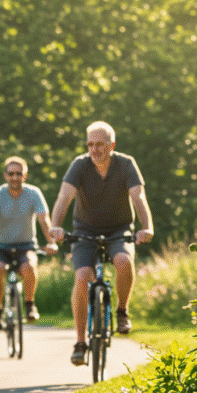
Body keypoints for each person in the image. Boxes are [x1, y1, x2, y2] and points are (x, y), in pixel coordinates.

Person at [48, 121, 154, 366]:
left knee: (123, 261)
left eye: (100, 144)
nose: (94, 149)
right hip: (85, 230)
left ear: (112, 145)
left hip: (119, 229)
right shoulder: (80, 164)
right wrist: (56, 226)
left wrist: (146, 227)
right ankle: (80, 341)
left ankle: (122, 311)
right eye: (90, 144)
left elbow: (138, 196)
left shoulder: (126, 164)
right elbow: (64, 197)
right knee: (83, 275)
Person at [0, 156, 59, 330]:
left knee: (30, 267)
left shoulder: (33, 193)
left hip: (25, 245)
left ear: (25, 176)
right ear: (5, 175)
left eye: (19, 173)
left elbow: (44, 220)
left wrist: (52, 242)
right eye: (11, 173)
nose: (15, 177)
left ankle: (29, 304)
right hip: (0, 246)